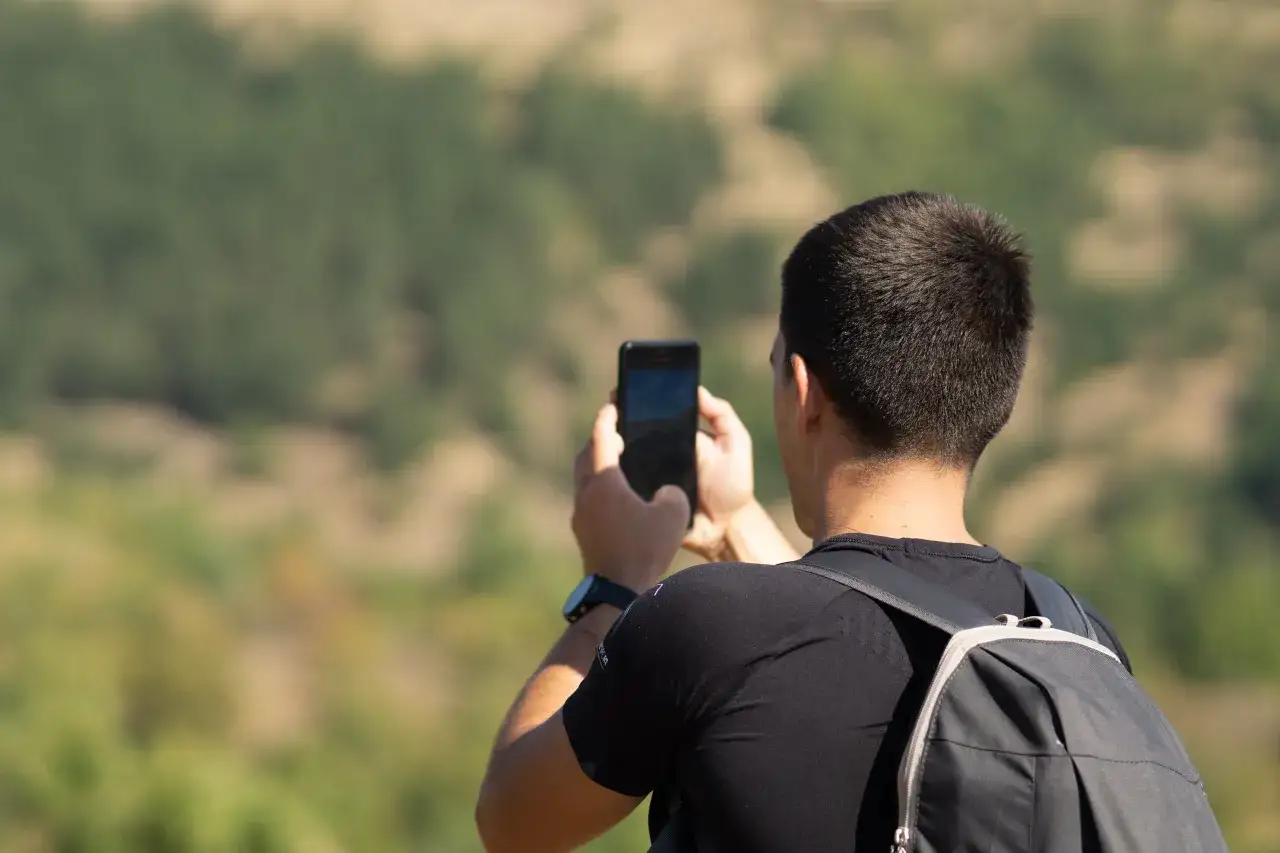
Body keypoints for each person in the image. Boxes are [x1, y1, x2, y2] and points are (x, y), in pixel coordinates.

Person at [474, 192, 1130, 853]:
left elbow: (513, 822)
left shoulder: (700, 623)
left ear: (805, 390)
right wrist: (733, 520)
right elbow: (853, 620)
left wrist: (615, 581)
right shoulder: (1077, 640)